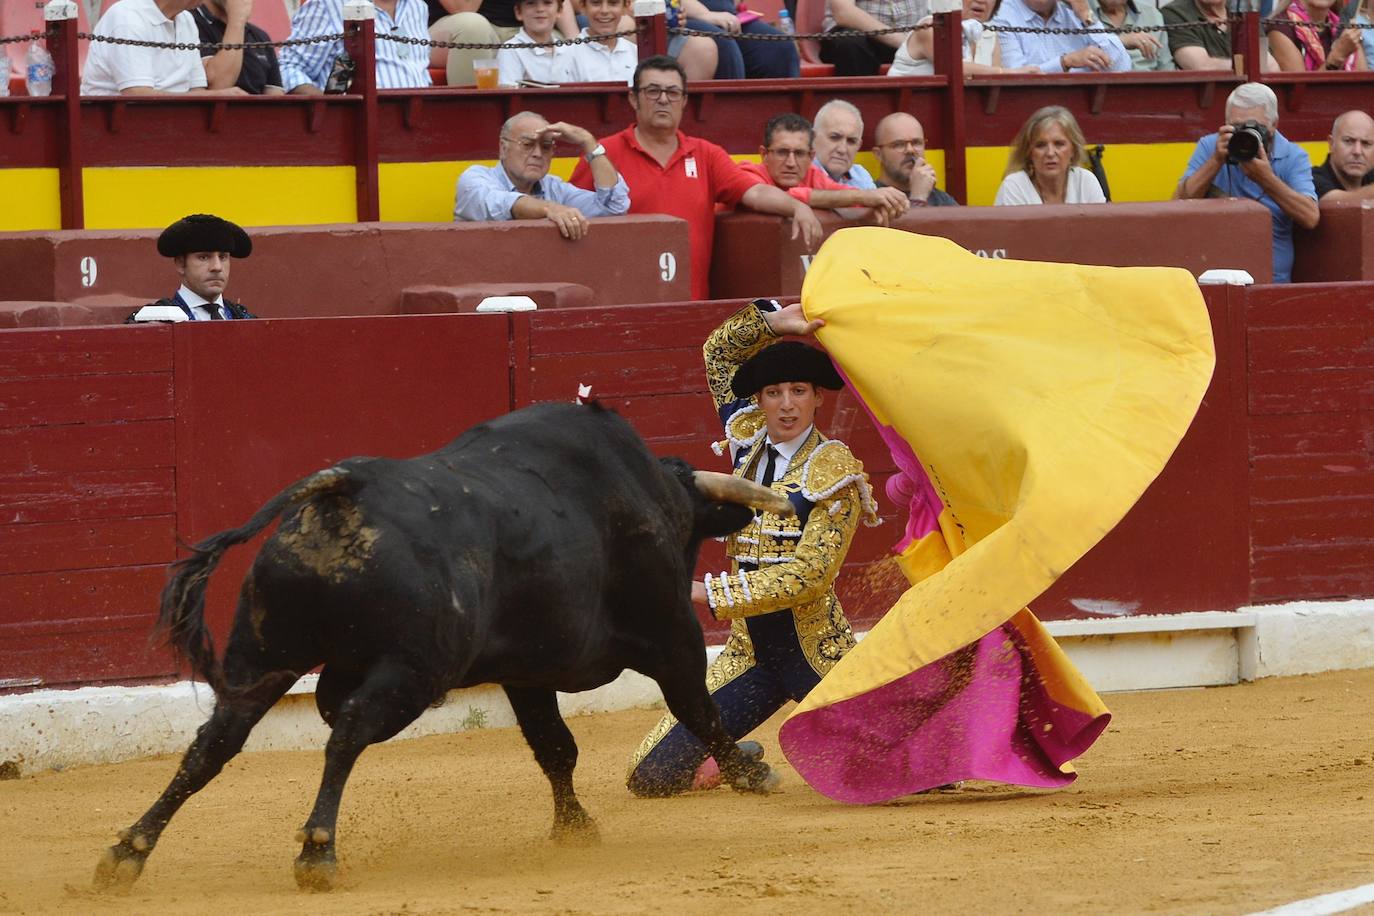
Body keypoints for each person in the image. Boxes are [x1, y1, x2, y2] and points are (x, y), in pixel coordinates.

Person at [625, 298, 878, 797]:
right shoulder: (747, 440)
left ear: (817, 399)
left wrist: (706, 593)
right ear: (758, 401)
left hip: (817, 657)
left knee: (893, 772)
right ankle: (731, 756)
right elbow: (718, 355)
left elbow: (809, 577)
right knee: (652, 777)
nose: (786, 404)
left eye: (799, 391)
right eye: (773, 392)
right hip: (749, 658)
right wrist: (771, 323)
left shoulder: (834, 472)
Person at [569, 56, 823, 301]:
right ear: (634, 98)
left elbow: (754, 192)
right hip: (621, 302)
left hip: (692, 303)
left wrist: (796, 206)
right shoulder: (604, 153)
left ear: (684, 101)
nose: (663, 100)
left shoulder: (706, 154)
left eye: (672, 92)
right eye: (653, 91)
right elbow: (572, 214)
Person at [1174, 82, 1319, 283]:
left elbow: (1310, 216)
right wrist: (1216, 161)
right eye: (1236, 127)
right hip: (1215, 276)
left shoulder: (1293, 156)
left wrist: (1267, 179)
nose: (1244, 134)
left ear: (1274, 125)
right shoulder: (1211, 146)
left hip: (1272, 279)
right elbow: (1178, 203)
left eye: (1254, 127)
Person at [454, 111, 629, 237]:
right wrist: (550, 209)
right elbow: (500, 203)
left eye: (546, 146)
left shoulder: (554, 188)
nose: (538, 153)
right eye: (527, 144)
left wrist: (588, 142)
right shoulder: (475, 178)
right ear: (503, 148)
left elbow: (613, 207)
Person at [739, 114, 911, 223]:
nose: (791, 162)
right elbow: (780, 197)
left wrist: (877, 204)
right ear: (764, 155)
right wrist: (864, 196)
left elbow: (845, 195)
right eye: (782, 152)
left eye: (799, 153)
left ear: (811, 157)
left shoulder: (813, 175)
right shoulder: (747, 173)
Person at [81, 0, 241, 96]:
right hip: (116, 128)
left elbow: (196, 89)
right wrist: (218, 95)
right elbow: (137, 94)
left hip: (171, 123)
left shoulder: (186, 20)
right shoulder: (127, 17)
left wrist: (217, 96)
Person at [126, 214, 258, 322]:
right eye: (204, 257)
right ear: (180, 264)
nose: (217, 267)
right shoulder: (154, 320)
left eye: (223, 257)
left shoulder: (243, 318)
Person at [279, 0, 431, 93]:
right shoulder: (327, 4)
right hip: (355, 129)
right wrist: (330, 110)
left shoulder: (418, 7)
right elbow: (289, 68)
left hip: (418, 124)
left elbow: (420, 70)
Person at [889, 0, 1040, 76]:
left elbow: (995, 84)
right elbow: (957, 69)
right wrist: (1010, 73)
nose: (981, 0)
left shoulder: (990, 35)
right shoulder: (931, 27)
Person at [994, 106, 1106, 205]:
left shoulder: (1086, 181)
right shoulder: (1014, 187)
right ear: (1029, 152)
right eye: (1040, 145)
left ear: (1073, 150)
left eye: (1059, 144)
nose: (1050, 153)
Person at [990, 0, 1131, 72]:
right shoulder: (1002, 14)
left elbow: (1121, 67)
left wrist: (1086, 13)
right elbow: (1015, 78)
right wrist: (1065, 62)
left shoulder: (1074, 11)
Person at [678, 0, 800, 80]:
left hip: (728, 16)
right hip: (684, 16)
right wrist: (705, 14)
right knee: (724, 45)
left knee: (780, 47)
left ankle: (784, 118)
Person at [193, 1, 284, 94]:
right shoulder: (189, 22)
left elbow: (275, 96)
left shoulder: (260, 37)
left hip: (255, 108)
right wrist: (237, 20)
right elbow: (217, 84)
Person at [820, 0, 928, 76]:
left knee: (937, 37)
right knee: (850, 43)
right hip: (861, 37)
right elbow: (844, 14)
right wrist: (906, 43)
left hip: (914, 37)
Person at [872, 113, 960, 206]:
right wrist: (918, 197)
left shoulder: (942, 200)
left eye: (916, 143)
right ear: (879, 154)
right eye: (899, 144)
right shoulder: (871, 198)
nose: (910, 150)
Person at [1161, 0, 1276, 70]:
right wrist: (1251, 67)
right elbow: (1201, 66)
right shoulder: (1175, 13)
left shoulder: (1243, 11)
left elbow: (1271, 67)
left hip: (1251, 95)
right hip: (1205, 100)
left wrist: (1251, 67)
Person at [1267, 0, 1366, 71]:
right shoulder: (1282, 27)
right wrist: (1337, 56)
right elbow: (1301, 94)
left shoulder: (1340, 24)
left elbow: (1364, 88)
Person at [497, 0, 574, 85]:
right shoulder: (511, 51)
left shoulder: (568, 50)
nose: (540, 9)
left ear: (559, 11)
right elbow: (509, 93)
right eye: (531, 3)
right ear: (518, 12)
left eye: (547, 2)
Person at [1088, 0, 1173, 71]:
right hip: (1099, 87)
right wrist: (1120, 41)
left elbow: (1166, 69)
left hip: (1148, 87)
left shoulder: (1152, 14)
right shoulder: (1080, 14)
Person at [564, 0, 637, 83]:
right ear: (583, 7)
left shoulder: (636, 53)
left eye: (613, 3)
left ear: (625, 7)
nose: (604, 11)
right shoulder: (567, 55)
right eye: (596, 3)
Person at [812, 99, 877, 189]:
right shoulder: (799, 174)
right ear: (813, 138)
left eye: (851, 141)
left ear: (858, 146)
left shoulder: (860, 175)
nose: (842, 149)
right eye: (834, 137)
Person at [1311, 110, 1374, 201]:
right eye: (1348, 141)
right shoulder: (1311, 180)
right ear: (1331, 144)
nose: (1357, 151)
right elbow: (1337, 203)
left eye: (1366, 143)